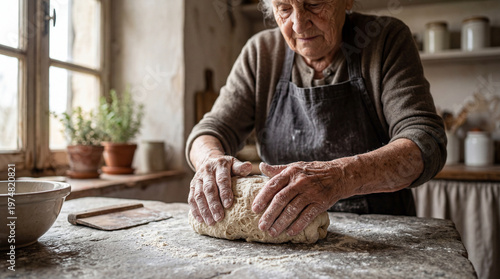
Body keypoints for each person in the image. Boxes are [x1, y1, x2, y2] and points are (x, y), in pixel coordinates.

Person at [186, 0, 446, 238]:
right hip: (284, 233)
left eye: (314, 3)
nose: (299, 24)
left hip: (382, 236)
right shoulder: (261, 53)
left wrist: (340, 177)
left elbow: (425, 141)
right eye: (284, 8)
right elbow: (210, 130)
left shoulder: (385, 38)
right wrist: (209, 161)